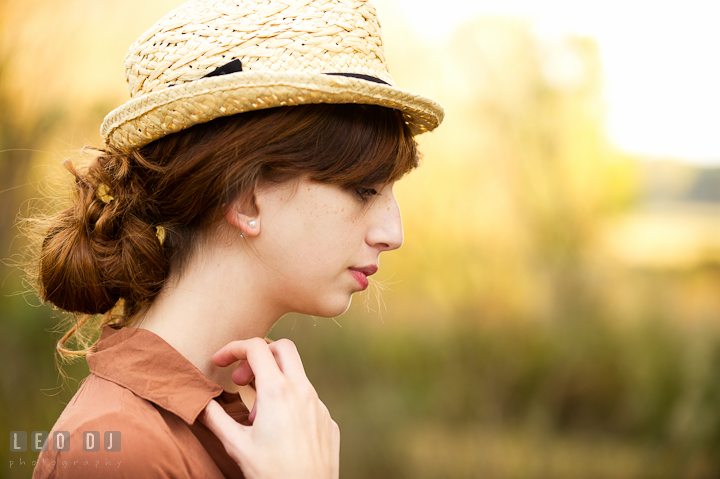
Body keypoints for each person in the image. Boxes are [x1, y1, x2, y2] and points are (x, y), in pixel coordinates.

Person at [30, 0, 443, 477]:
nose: (394, 233)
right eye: (363, 190)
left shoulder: (259, 414)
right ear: (247, 200)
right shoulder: (122, 451)